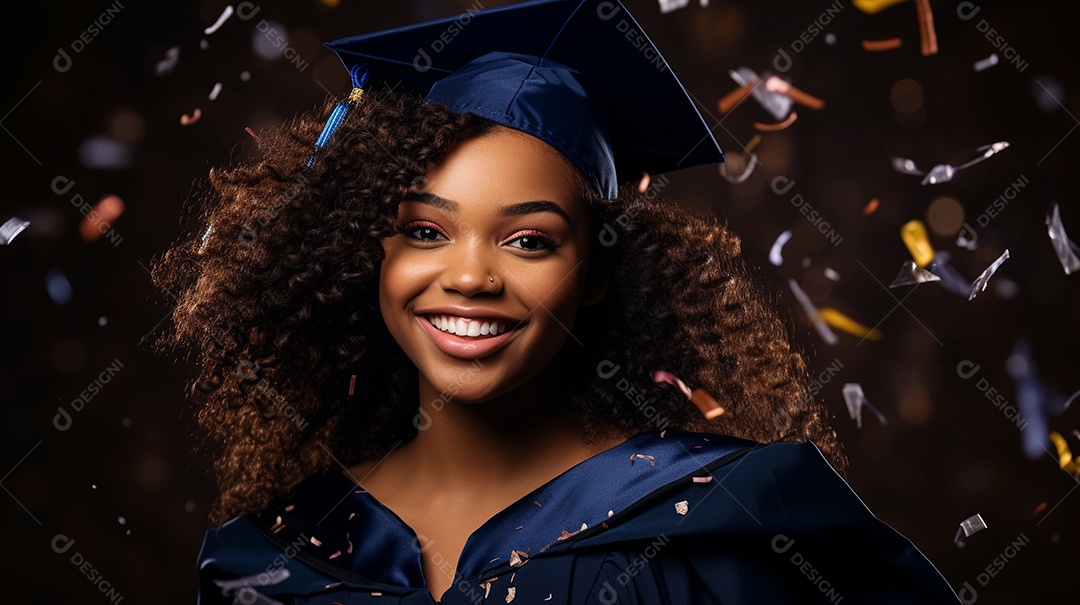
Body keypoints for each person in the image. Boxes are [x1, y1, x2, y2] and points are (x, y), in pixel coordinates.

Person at [153, 0, 962, 603]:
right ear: (372, 249)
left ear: (598, 268)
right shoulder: (272, 555)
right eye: (427, 231)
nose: (470, 276)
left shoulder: (727, 520)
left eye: (528, 240)